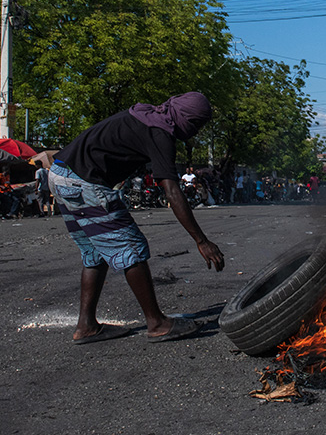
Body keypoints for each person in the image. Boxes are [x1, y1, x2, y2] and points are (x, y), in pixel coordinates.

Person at [50, 91, 225, 344]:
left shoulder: (147, 116)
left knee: (96, 253)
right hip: (83, 182)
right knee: (131, 246)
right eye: (196, 124)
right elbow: (172, 191)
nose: (196, 131)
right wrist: (201, 240)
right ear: (185, 116)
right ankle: (157, 323)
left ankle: (86, 326)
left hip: (59, 173)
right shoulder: (160, 131)